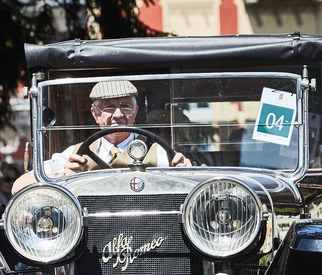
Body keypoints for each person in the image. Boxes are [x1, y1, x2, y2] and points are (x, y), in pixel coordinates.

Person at [12, 80, 190, 192]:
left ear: (135, 112)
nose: (118, 114)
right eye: (109, 107)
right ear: (95, 114)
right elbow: (18, 186)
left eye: (125, 106)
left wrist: (185, 172)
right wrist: (62, 176)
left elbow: (189, 183)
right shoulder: (75, 154)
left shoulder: (159, 152)